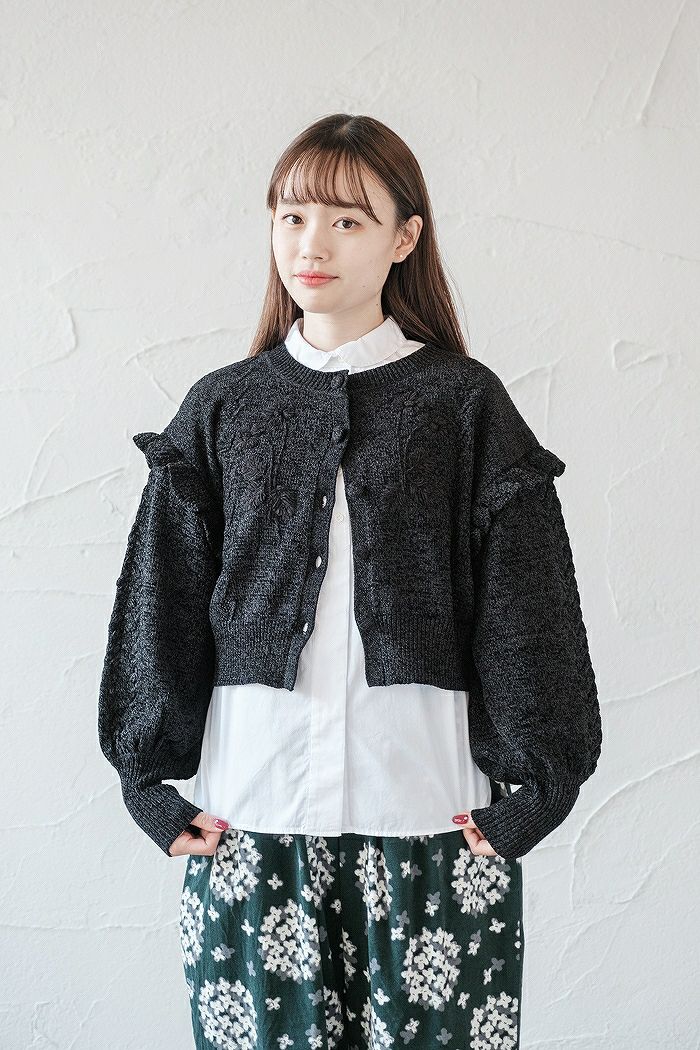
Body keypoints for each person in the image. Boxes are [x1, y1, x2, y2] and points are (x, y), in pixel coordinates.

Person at [98, 113, 602, 1050]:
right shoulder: (223, 405)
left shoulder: (464, 402)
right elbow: (160, 601)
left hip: (431, 816)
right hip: (250, 817)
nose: (311, 246)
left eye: (346, 221)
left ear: (404, 237)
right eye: (291, 218)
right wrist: (146, 782)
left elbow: (529, 609)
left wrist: (541, 788)